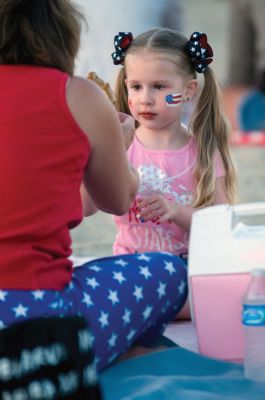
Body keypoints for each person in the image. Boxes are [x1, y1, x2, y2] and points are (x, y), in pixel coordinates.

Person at [0, 0, 188, 372]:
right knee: (170, 272)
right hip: (40, 314)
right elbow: (118, 199)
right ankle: (103, 352)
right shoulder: (82, 97)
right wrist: (116, 145)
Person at [112, 29, 237, 259]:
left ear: (188, 90)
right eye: (136, 87)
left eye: (159, 86)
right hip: (130, 267)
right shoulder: (121, 146)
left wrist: (175, 211)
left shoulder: (205, 151)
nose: (145, 98)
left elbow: (221, 221)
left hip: (185, 268)